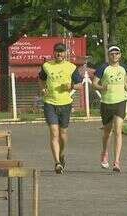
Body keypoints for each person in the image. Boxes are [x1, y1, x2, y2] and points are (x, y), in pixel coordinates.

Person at [39, 43, 83, 174]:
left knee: (63, 134)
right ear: (54, 53)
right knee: (54, 132)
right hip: (50, 103)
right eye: (57, 51)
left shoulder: (71, 67)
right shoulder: (46, 66)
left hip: (65, 103)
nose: (59, 54)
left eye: (61, 52)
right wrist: (42, 89)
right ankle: (57, 162)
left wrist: (71, 87)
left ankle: (62, 154)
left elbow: (80, 85)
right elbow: (41, 79)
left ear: (65, 53)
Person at [92, 45, 127, 172]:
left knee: (118, 130)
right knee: (107, 132)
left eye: (117, 53)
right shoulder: (103, 68)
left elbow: (125, 83)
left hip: (121, 101)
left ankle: (116, 162)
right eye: (112, 53)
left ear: (120, 55)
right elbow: (94, 84)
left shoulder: (124, 68)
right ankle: (104, 153)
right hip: (106, 102)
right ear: (109, 55)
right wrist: (102, 88)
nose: (114, 55)